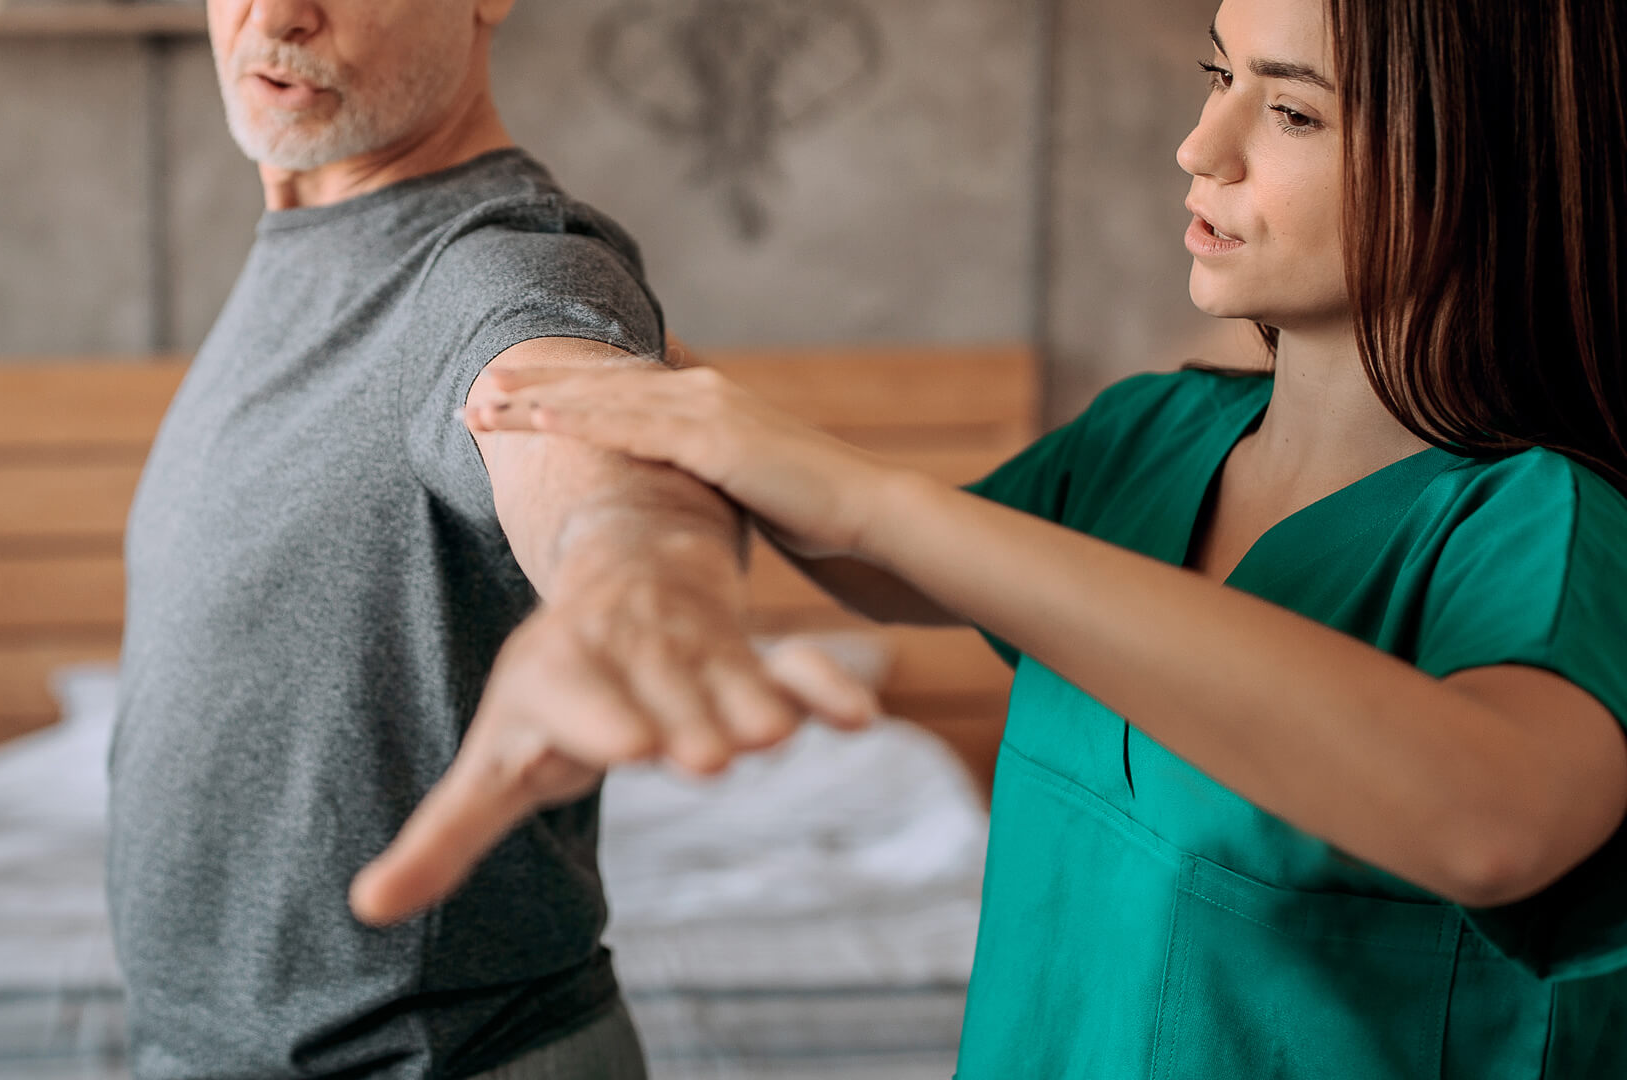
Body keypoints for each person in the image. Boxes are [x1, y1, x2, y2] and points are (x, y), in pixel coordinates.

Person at [350, 0, 1627, 1074]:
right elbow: (890, 564)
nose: (1201, 144)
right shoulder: (1152, 438)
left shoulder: (1548, 524)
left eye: (1289, 111)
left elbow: (1492, 819)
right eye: (1217, 79)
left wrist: (866, 491)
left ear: (1490, 158)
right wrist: (585, 329)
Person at [104, 0, 874, 1077]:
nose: (277, 13)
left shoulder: (504, 262)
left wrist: (630, 576)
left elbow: (570, 405)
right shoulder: (315, 235)